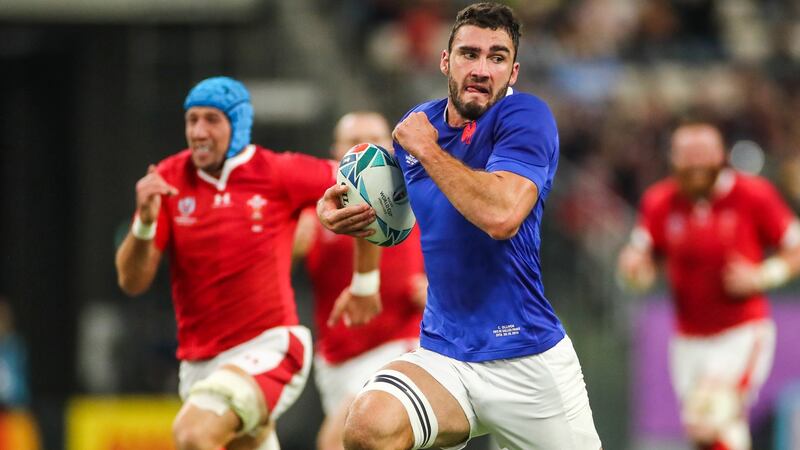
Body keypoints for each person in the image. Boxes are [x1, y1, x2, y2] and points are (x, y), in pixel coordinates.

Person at [316, 3, 602, 449]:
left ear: (514, 71)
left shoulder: (526, 119)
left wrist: (428, 152)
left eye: (497, 57)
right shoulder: (417, 129)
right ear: (445, 60)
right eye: (470, 54)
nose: (482, 69)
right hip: (444, 354)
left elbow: (501, 217)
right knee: (367, 426)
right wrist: (337, 212)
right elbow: (387, 212)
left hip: (525, 358)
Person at [115, 76, 364, 450]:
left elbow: (365, 186)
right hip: (199, 364)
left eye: (212, 120)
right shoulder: (168, 179)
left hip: (269, 349)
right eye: (192, 119)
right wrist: (145, 224)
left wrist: (366, 279)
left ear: (239, 124)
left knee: (194, 433)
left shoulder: (276, 171)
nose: (198, 131)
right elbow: (132, 282)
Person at [617, 121, 800, 450]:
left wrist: (762, 275)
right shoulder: (660, 201)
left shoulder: (753, 195)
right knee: (712, 431)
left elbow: (795, 248)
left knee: (712, 418)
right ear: (674, 160)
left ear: (721, 157)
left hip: (741, 332)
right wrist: (633, 271)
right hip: (688, 338)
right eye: (689, 159)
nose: (697, 167)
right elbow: (640, 262)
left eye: (704, 157)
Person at [293, 111, 427, 450]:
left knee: (334, 442)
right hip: (335, 356)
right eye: (354, 142)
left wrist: (440, 292)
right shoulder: (317, 212)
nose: (366, 149)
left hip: (399, 344)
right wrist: (287, 242)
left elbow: (469, 262)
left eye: (376, 139)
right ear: (335, 152)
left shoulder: (417, 204)